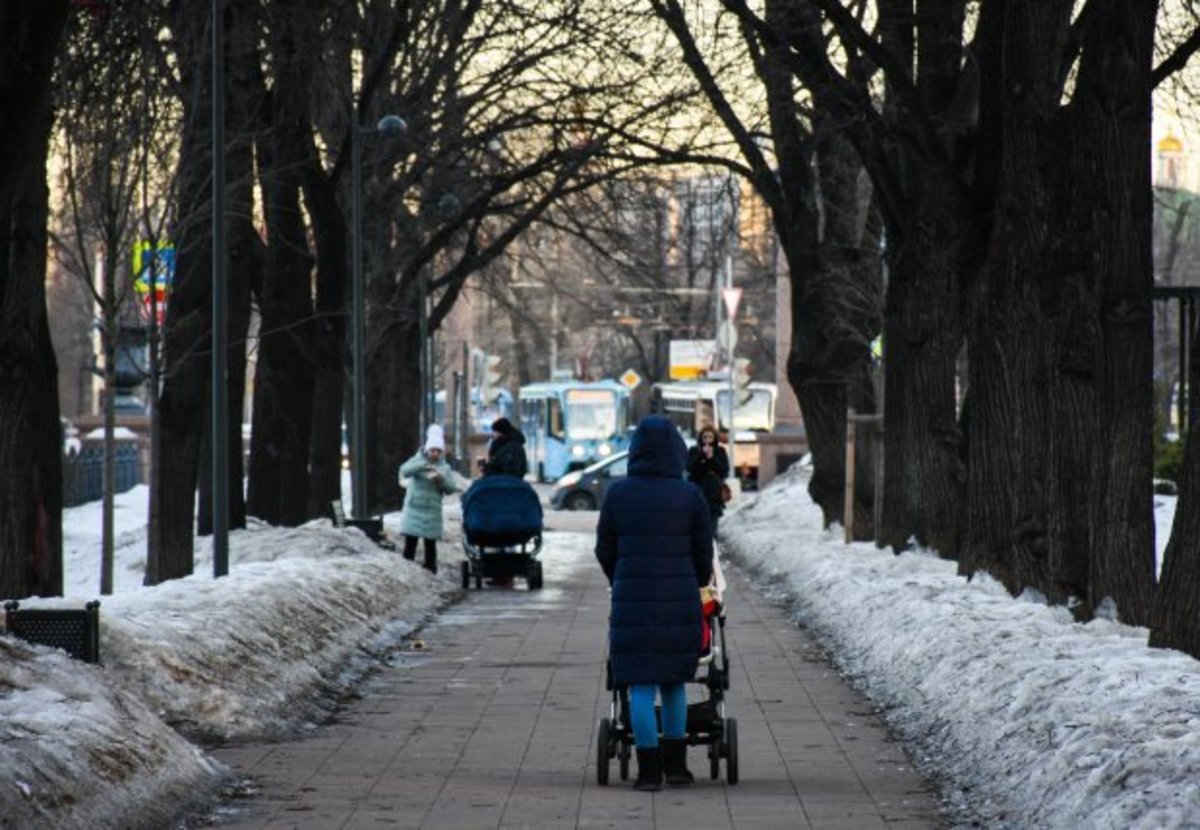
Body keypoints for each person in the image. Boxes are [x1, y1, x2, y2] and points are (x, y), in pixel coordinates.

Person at [595, 415, 713, 791]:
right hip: (679, 603)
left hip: (632, 602)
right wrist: (693, 581)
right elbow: (703, 553)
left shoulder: (618, 493)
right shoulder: (690, 495)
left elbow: (604, 549)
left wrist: (621, 577)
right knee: (674, 683)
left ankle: (648, 772)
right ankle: (677, 768)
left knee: (640, 687)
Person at [398, 424, 459, 574]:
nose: (435, 454)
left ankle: (431, 569)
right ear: (427, 449)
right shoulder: (417, 460)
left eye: (438, 451)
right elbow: (404, 470)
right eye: (433, 450)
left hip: (432, 510)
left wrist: (440, 478)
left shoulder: (444, 467)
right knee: (410, 541)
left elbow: (451, 488)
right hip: (414, 507)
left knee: (430, 543)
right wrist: (423, 464)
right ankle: (407, 567)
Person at [685, 424, 730, 538]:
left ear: (715, 438)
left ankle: (710, 549)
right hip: (698, 490)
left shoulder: (720, 451)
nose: (708, 440)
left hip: (714, 493)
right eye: (705, 437)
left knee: (712, 527)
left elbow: (724, 471)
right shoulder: (694, 450)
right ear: (700, 438)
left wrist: (711, 459)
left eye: (710, 437)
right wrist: (701, 456)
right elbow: (689, 467)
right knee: (697, 525)